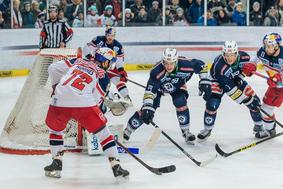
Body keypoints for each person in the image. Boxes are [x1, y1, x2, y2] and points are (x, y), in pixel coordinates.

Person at [44, 47, 129, 181]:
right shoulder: (103, 76)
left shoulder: (78, 61)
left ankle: (56, 164)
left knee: (55, 130)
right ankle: (116, 167)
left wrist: (55, 87)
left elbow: (53, 68)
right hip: (83, 104)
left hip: (59, 100)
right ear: (106, 62)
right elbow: (96, 102)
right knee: (104, 134)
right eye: (110, 62)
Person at [123, 48, 209, 144]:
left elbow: (202, 65)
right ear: (163, 61)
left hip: (178, 85)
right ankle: (128, 131)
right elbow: (150, 91)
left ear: (176, 61)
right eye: (166, 63)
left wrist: (204, 81)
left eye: (171, 63)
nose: (169, 66)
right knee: (147, 110)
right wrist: (147, 106)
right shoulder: (156, 71)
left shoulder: (185, 64)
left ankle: (186, 132)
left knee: (180, 102)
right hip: (159, 88)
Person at [197, 41, 263, 141]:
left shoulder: (245, 57)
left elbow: (246, 70)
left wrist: (244, 75)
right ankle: (207, 129)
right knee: (212, 104)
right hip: (217, 81)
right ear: (223, 54)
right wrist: (246, 99)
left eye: (232, 55)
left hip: (235, 79)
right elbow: (229, 89)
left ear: (236, 53)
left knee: (256, 102)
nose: (229, 58)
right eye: (227, 55)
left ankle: (259, 126)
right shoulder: (219, 65)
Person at [242, 33, 283, 138]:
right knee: (266, 109)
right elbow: (254, 59)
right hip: (277, 88)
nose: (266, 48)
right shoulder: (263, 52)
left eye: (269, 46)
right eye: (265, 45)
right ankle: (270, 130)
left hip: (279, 84)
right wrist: (251, 65)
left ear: (277, 45)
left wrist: (279, 78)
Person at [82, 27, 132, 104]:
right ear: (105, 35)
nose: (110, 37)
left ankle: (127, 97)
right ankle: (109, 96)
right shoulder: (98, 40)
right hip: (97, 65)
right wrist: (90, 57)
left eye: (112, 35)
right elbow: (86, 48)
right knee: (98, 82)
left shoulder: (118, 46)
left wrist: (121, 71)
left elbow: (119, 60)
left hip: (110, 66)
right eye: (108, 35)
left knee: (117, 80)